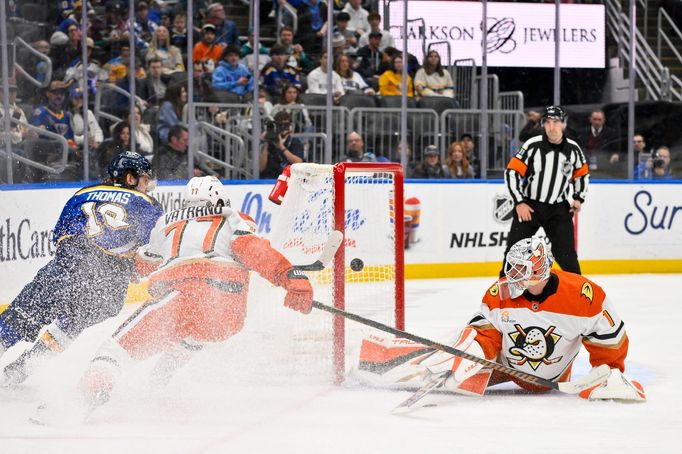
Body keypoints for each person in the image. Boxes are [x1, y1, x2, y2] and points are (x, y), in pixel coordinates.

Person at [77, 176, 314, 409]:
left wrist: (109, 272)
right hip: (229, 310)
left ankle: (81, 400)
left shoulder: (166, 222)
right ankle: (158, 383)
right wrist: (290, 276)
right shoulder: (234, 219)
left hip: (184, 293)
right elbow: (253, 250)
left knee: (116, 349)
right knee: (192, 337)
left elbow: (144, 263)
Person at [358, 236, 645, 402]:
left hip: (549, 380)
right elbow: (484, 332)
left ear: (541, 270)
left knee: (453, 354)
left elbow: (610, 339)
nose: (513, 275)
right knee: (449, 350)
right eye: (513, 267)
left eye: (522, 269)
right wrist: (472, 355)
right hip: (503, 365)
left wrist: (608, 372)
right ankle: (372, 360)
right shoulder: (500, 292)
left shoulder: (584, 295)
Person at [0, 151, 163, 386]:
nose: (147, 186)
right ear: (130, 178)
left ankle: (15, 358)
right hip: (108, 287)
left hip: (64, 269)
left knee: (20, 316)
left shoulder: (82, 194)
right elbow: (153, 248)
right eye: (145, 180)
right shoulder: (147, 204)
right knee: (70, 325)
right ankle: (23, 369)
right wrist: (129, 268)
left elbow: (60, 237)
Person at [502, 105, 588, 276]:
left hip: (558, 208)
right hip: (530, 206)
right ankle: (505, 292)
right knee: (514, 252)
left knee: (567, 256)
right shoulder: (532, 145)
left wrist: (579, 198)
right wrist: (519, 202)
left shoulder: (573, 149)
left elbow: (582, 174)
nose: (551, 127)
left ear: (564, 124)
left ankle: (580, 294)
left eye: (555, 122)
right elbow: (511, 172)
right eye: (547, 122)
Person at [259, 111, 305, 179]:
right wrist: (266, 143)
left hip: (289, 179)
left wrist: (281, 147)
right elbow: (261, 168)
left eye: (285, 125)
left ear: (290, 126)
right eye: (280, 125)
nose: (283, 128)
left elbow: (298, 163)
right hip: (269, 180)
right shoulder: (269, 142)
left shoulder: (295, 142)